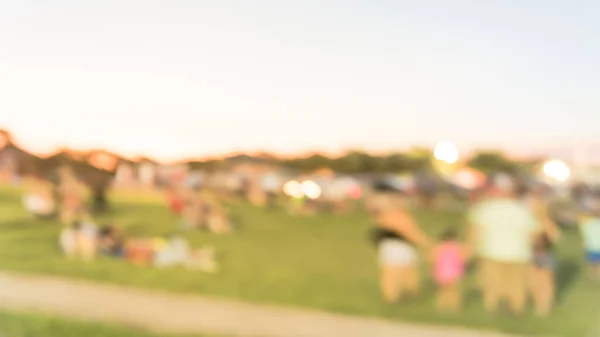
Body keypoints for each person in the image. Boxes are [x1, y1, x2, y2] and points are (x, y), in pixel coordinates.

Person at [467, 174, 538, 315]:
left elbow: (475, 231)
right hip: (518, 253)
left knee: (492, 284)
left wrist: (470, 248)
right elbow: (532, 233)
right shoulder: (522, 209)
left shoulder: (486, 209)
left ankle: (491, 310)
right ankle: (517, 310)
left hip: (491, 252)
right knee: (516, 284)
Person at [368, 185, 430, 303]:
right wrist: (426, 243)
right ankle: (393, 299)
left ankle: (399, 298)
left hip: (393, 246)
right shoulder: (396, 216)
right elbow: (412, 233)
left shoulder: (387, 215)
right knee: (395, 274)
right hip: (398, 246)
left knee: (405, 273)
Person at [432, 228, 467, 313]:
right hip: (454, 271)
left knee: (443, 290)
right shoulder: (457, 246)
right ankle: (454, 306)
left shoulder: (439, 247)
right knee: (454, 290)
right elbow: (462, 257)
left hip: (441, 271)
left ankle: (442, 305)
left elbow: (433, 257)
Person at [579, 209, 600, 280]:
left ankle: (592, 274)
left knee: (592, 261)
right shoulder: (589, 223)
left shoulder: (588, 223)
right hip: (597, 245)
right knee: (598, 261)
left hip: (591, 245)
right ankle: (597, 274)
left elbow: (584, 233)